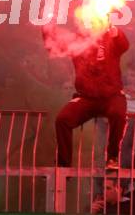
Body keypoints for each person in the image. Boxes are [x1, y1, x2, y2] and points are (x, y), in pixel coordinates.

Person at [55, 25, 129, 169]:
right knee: (62, 119)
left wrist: (114, 31)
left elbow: (124, 45)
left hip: (111, 96)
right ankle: (63, 166)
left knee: (118, 114)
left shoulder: (109, 38)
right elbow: (55, 45)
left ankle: (112, 157)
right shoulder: (77, 43)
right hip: (86, 97)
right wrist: (46, 26)